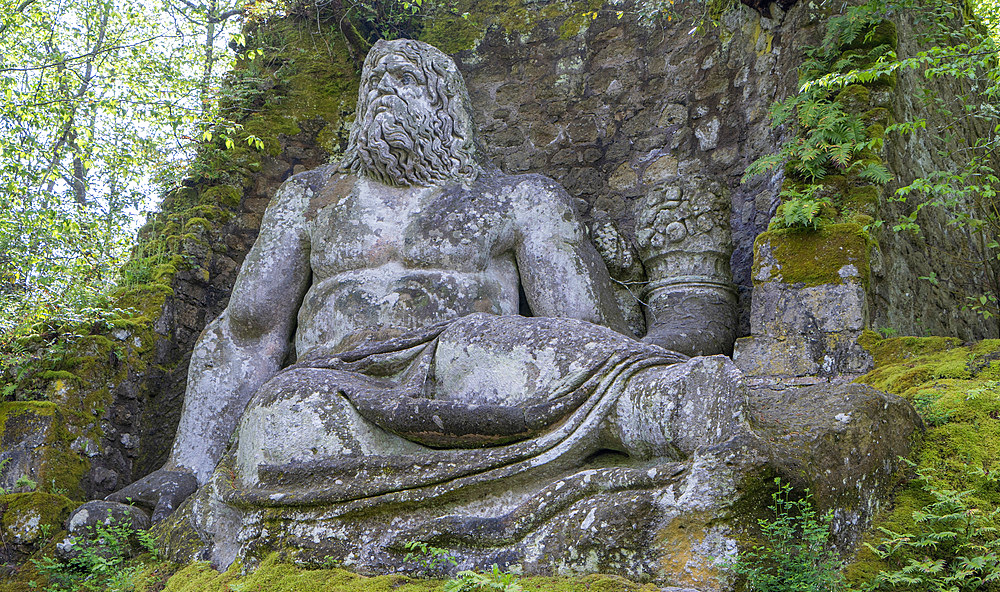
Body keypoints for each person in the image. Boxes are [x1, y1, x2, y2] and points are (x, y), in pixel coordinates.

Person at [107, 40, 747, 548]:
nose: (382, 87)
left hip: (471, 364)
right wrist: (186, 468)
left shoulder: (517, 198)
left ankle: (663, 410)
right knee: (281, 418)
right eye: (372, 80)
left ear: (449, 109)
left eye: (404, 77)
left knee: (481, 346)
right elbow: (245, 335)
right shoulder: (310, 199)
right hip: (335, 387)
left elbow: (582, 329)